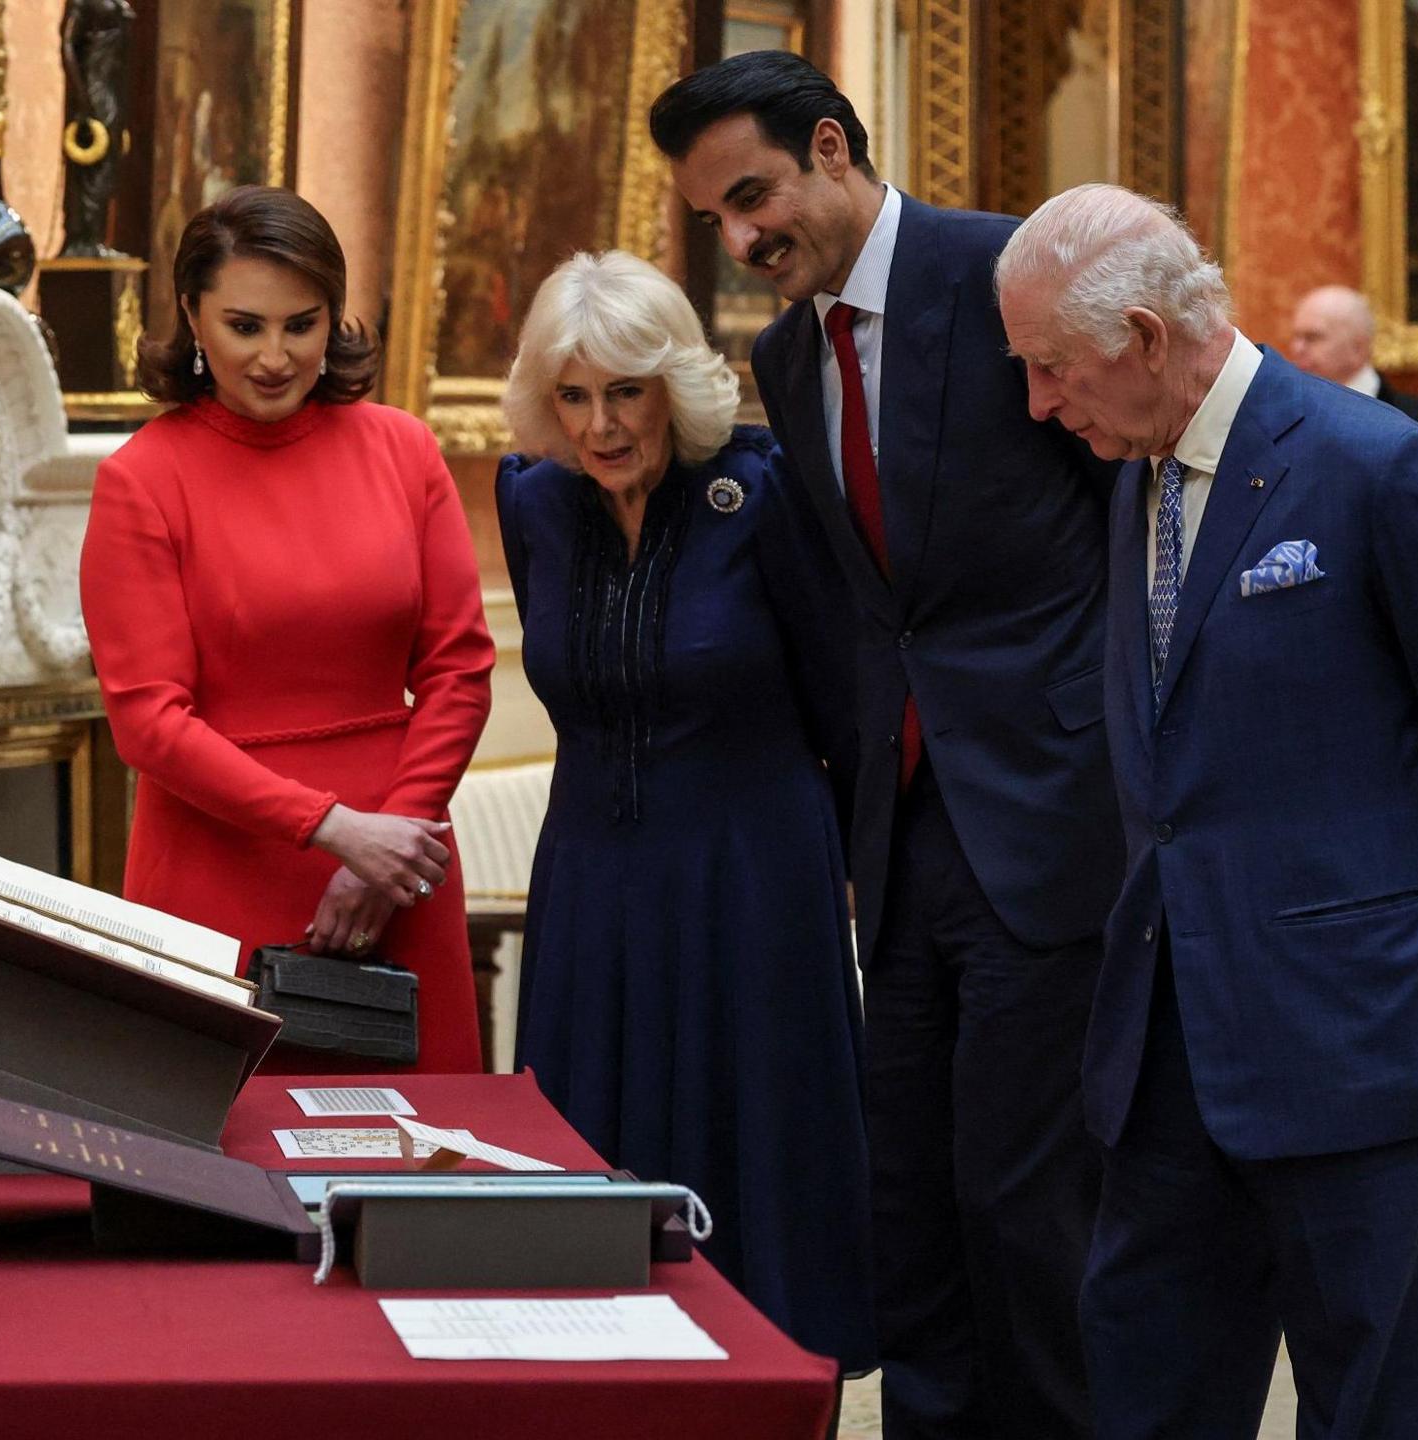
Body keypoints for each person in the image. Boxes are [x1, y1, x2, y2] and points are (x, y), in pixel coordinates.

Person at [995, 183, 1418, 1439]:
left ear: (1144, 337)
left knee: (1362, 1410)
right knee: (1144, 1395)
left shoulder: (1386, 473)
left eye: (1049, 367)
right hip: (1164, 1054)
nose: (1039, 403)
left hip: (1361, 1051)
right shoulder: (1131, 477)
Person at [651, 51, 1118, 1437]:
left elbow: (1134, 504)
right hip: (899, 841)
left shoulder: (1010, 278)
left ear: (836, 149)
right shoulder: (786, 358)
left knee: (1034, 1216)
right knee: (908, 1204)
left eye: (754, 197)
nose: (740, 243)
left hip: (1052, 821)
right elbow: (872, 612)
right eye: (716, 222)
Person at [496, 250, 874, 1374]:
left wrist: (855, 861)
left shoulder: (762, 493)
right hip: (592, 887)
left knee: (754, 1159)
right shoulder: (533, 505)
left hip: (752, 883)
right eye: (573, 395)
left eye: (626, 391)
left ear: (674, 386)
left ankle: (767, 1388)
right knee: (594, 1159)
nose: (601, 425)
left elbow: (842, 694)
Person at [78, 185, 493, 1074]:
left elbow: (460, 667)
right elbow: (148, 723)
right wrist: (337, 831)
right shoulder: (141, 481)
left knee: (418, 1168)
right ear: (191, 316)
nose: (275, 356)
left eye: (301, 324)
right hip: (218, 867)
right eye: (244, 326)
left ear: (335, 319)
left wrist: (393, 843)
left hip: (403, 860)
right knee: (232, 1179)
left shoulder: (404, 450)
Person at [1286, 284, 1418, 450]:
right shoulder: (1284, 415)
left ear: (1358, 348)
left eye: (1312, 337)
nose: (1297, 348)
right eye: (1297, 337)